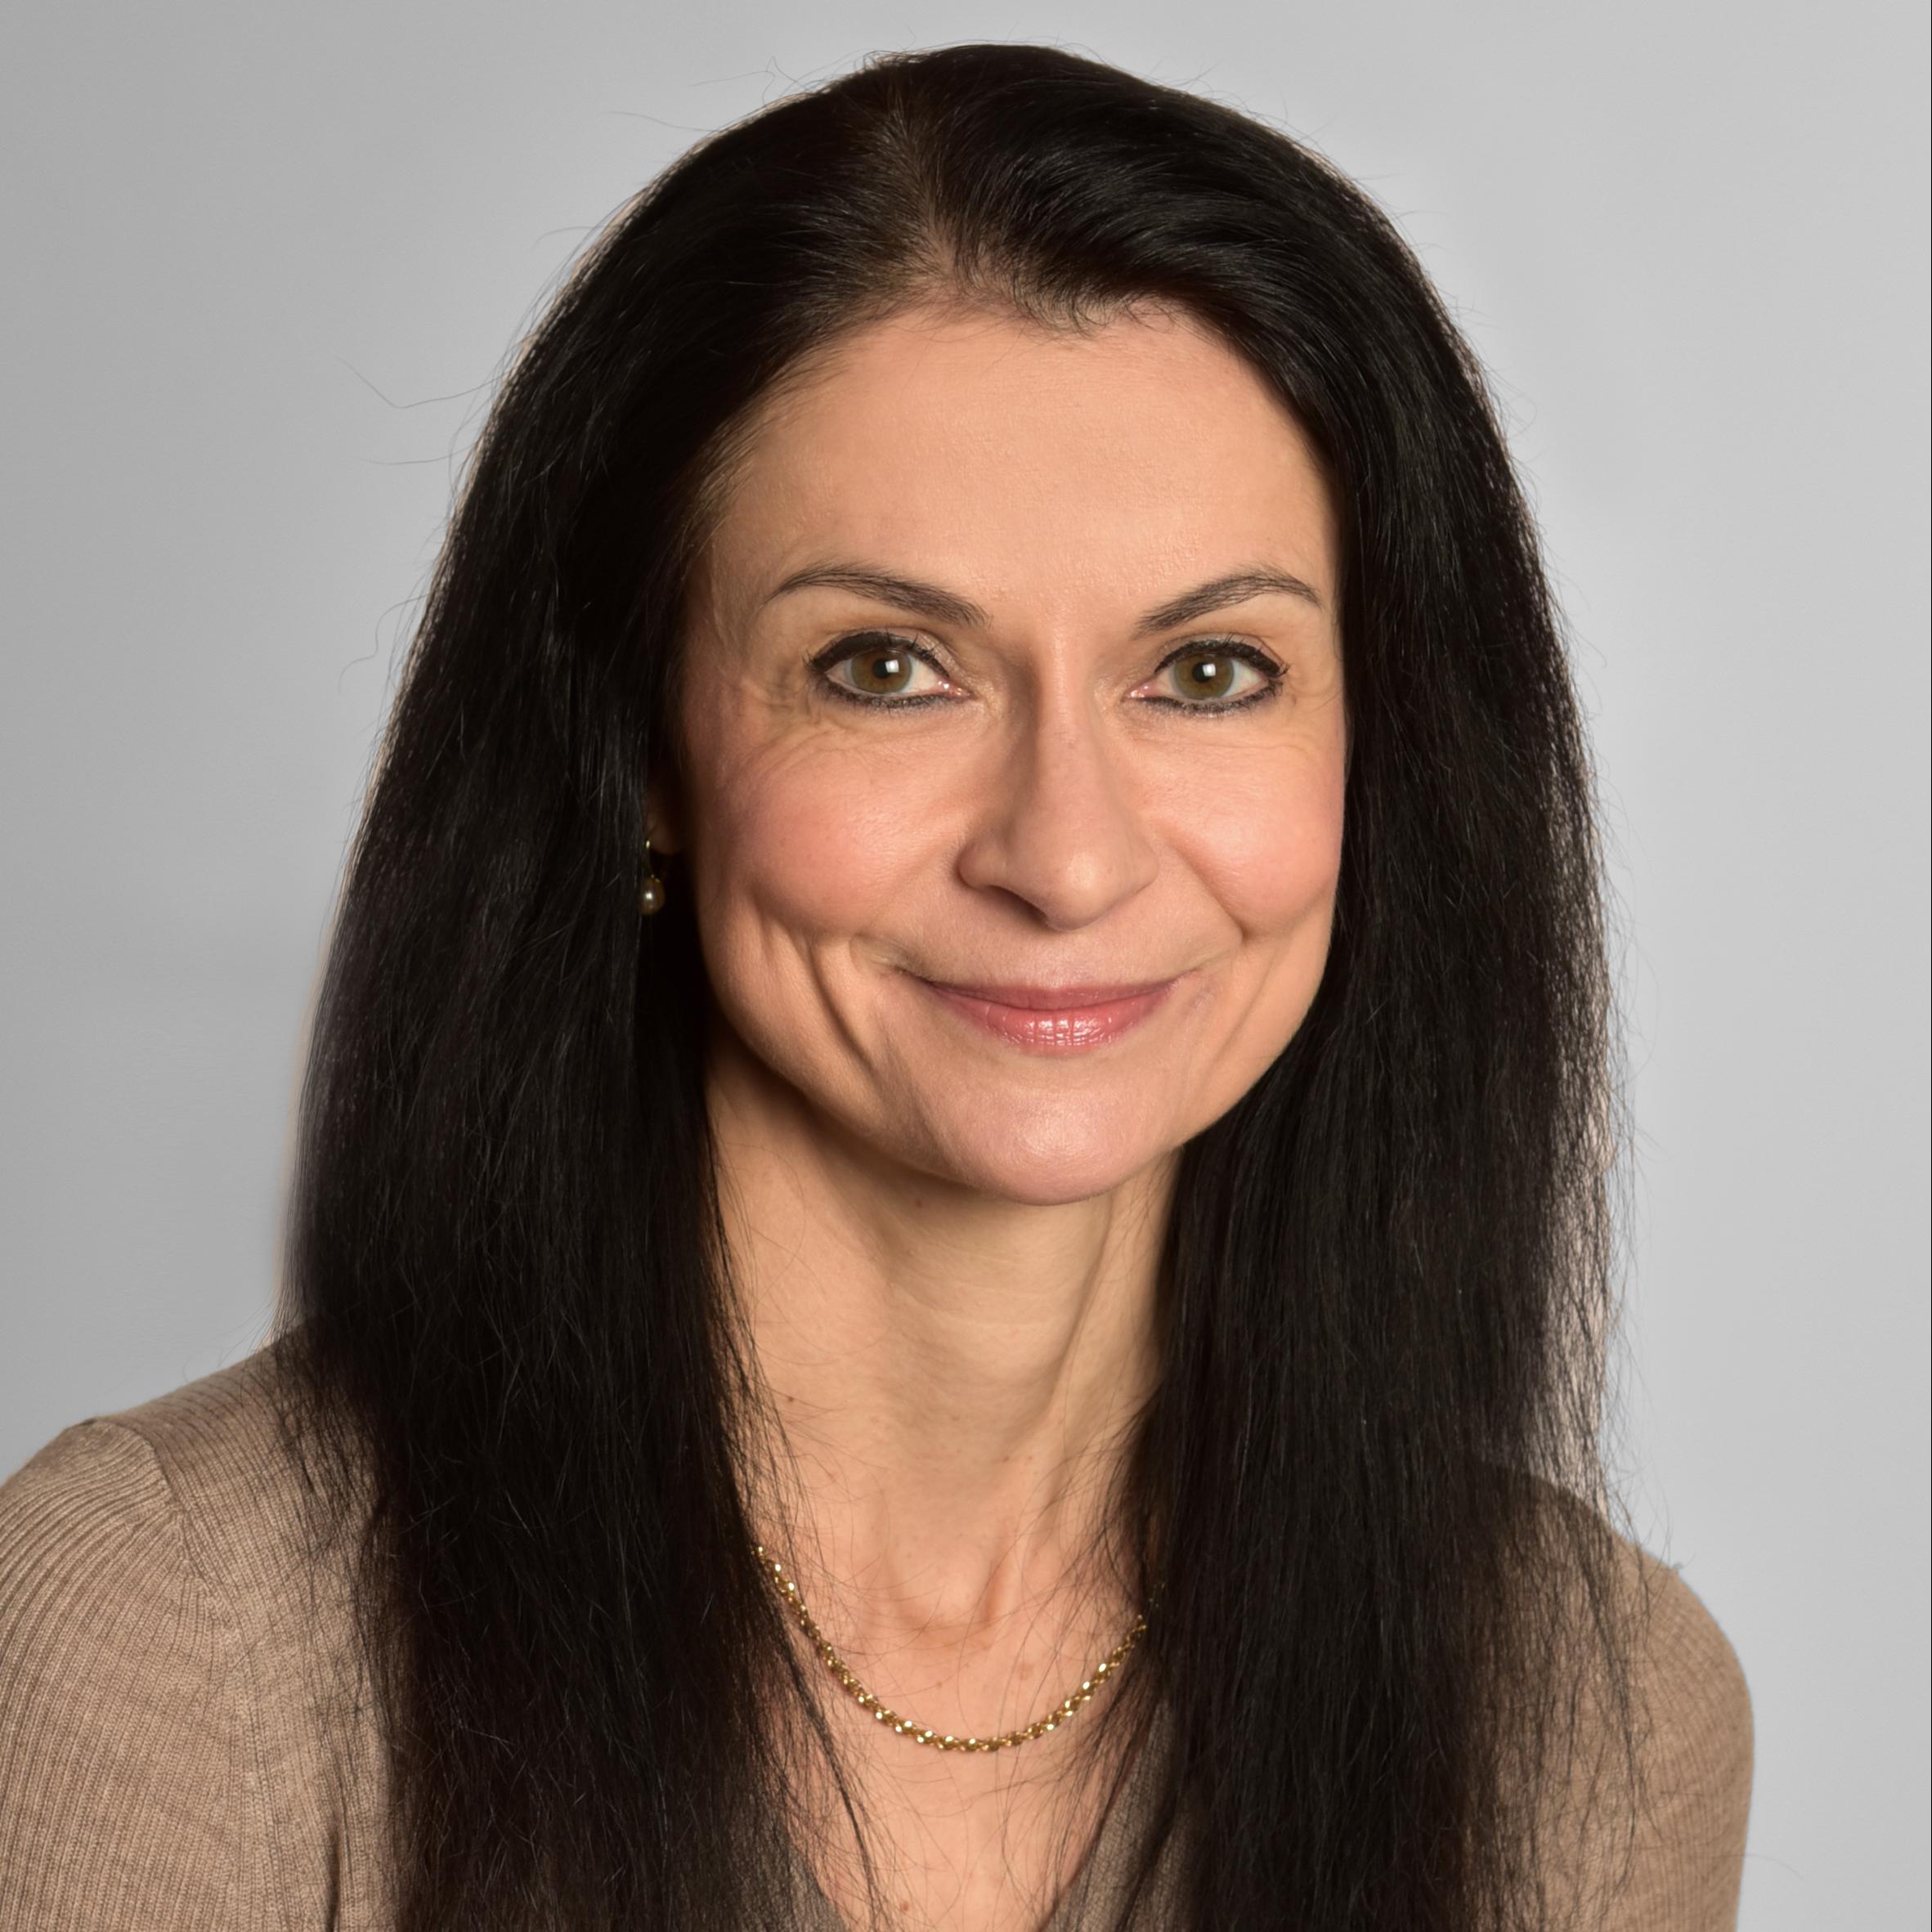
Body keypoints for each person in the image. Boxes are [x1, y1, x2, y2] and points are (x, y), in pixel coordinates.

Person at [0, 42, 1751, 1932]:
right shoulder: (171, 1646)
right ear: (644, 757)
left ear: (1380, 757)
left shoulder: (1593, 1721)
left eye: (1211, 674)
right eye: (887, 668)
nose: (1066, 856)